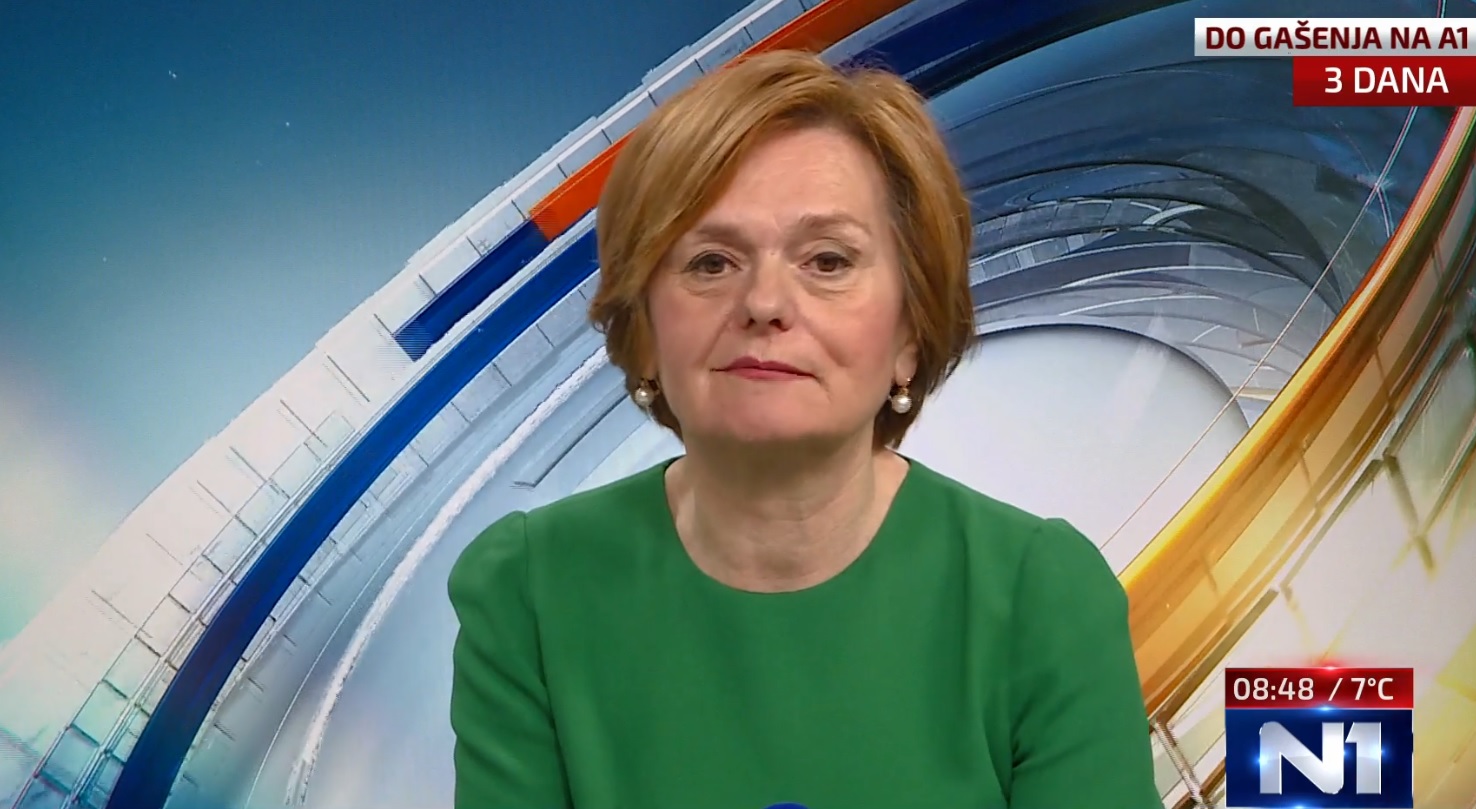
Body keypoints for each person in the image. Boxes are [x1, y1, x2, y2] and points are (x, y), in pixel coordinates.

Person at [448, 49, 1158, 809]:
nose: (764, 303)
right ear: (644, 329)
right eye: (711, 262)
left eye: (827, 260)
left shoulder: (1040, 597)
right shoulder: (527, 590)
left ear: (910, 331)